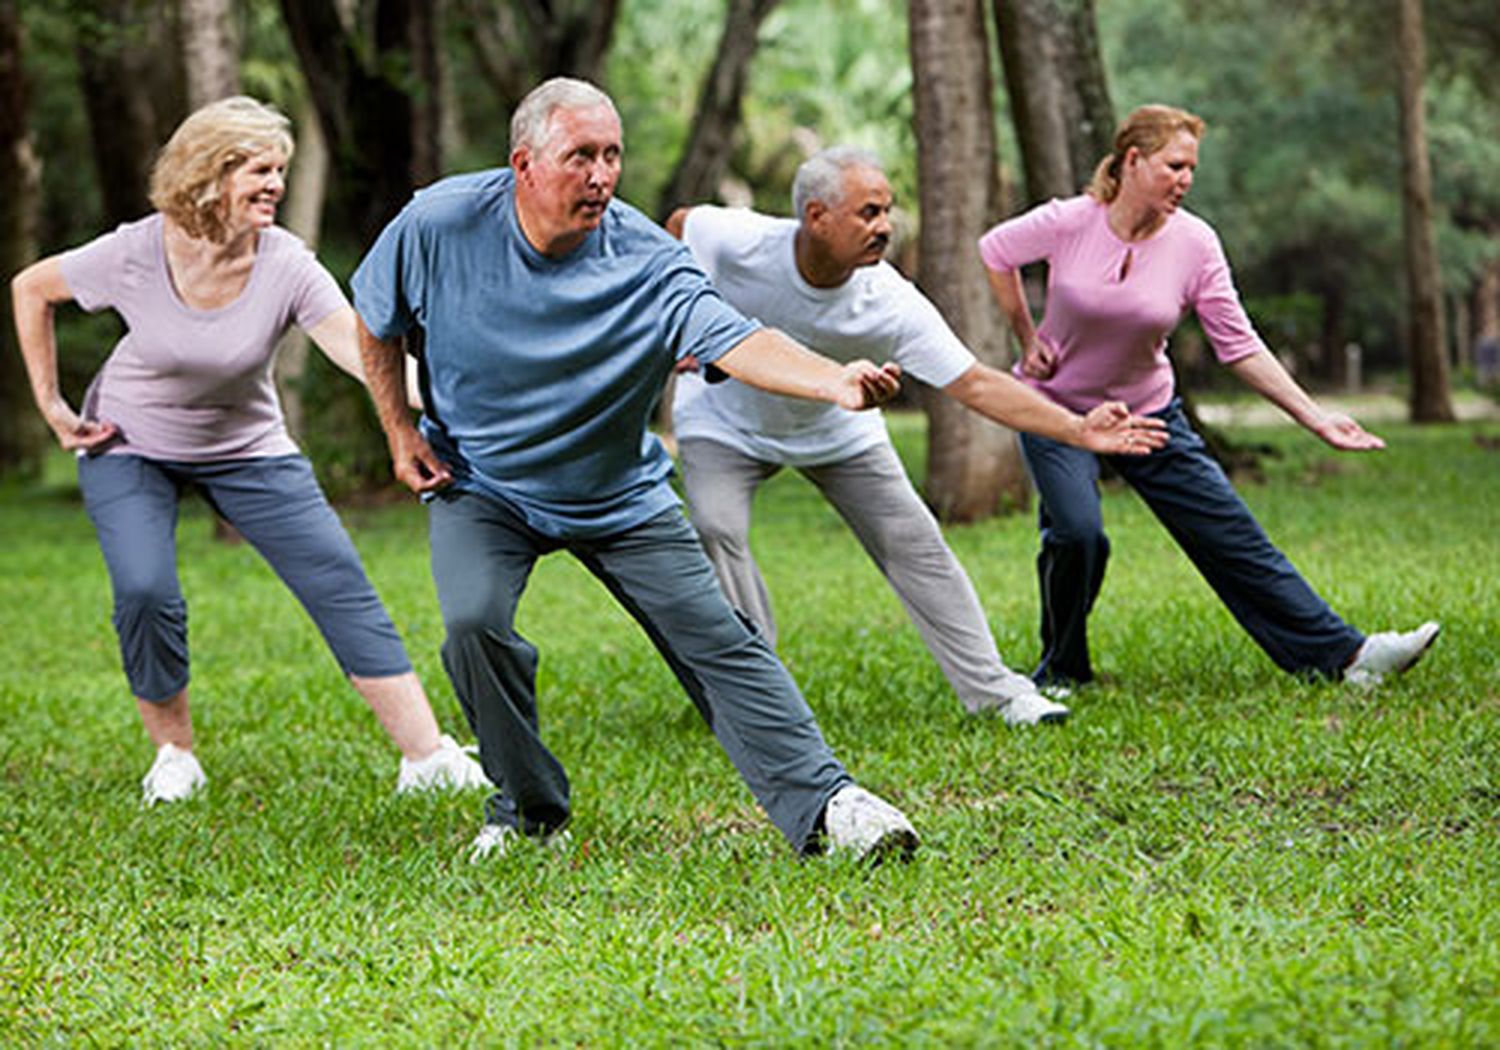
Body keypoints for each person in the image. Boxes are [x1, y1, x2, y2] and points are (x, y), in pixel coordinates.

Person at [351, 78, 920, 863]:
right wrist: (397, 429)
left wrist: (834, 380)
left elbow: (734, 336)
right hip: (481, 481)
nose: (602, 175)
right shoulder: (439, 224)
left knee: (721, 638)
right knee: (472, 624)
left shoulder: (648, 259)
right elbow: (374, 318)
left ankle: (830, 805)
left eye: (612, 154)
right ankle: (527, 810)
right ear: (524, 163)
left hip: (616, 493)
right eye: (580, 155)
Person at [11, 96, 488, 805]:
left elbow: (362, 354)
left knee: (338, 580)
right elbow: (32, 287)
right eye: (258, 170)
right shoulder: (136, 250)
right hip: (129, 440)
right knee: (145, 590)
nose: (275, 184)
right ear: (209, 172)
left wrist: (464, 397)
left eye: (280, 171)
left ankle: (426, 755)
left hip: (246, 445)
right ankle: (174, 754)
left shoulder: (287, 264)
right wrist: (51, 404)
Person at [664, 147, 1169, 727]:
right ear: (816, 215)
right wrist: (683, 320)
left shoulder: (890, 301)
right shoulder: (743, 240)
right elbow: (681, 224)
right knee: (716, 527)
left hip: (837, 426)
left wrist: (1077, 428)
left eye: (888, 211)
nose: (885, 227)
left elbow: (977, 384)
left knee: (918, 544)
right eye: (868, 213)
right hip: (725, 419)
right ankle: (757, 696)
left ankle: (999, 693)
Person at [978, 103, 1439, 691]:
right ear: (1133, 161)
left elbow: (1238, 344)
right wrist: (1026, 333)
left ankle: (1348, 657)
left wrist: (1315, 418)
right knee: (1077, 534)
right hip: (1057, 409)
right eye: (1174, 165)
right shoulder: (1071, 221)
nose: (1186, 180)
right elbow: (995, 251)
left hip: (1148, 412)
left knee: (1232, 536)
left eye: (1192, 168)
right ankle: (1062, 669)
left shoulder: (1195, 243)